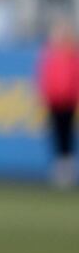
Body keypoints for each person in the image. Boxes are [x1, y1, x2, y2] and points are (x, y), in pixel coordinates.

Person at [36, 17, 79, 189]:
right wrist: (45, 96)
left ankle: (68, 168)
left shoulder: (73, 56)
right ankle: (60, 169)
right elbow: (45, 78)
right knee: (57, 133)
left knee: (68, 134)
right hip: (54, 102)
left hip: (69, 101)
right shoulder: (51, 56)